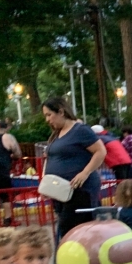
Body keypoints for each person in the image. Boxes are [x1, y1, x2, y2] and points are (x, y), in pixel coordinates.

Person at [42, 97, 106, 240]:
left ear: (61, 112)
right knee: (66, 229)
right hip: (60, 191)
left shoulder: (80, 130)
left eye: (49, 115)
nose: (47, 119)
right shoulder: (56, 133)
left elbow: (100, 151)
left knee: (71, 229)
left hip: (80, 190)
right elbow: (50, 158)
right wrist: (46, 183)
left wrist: (85, 173)